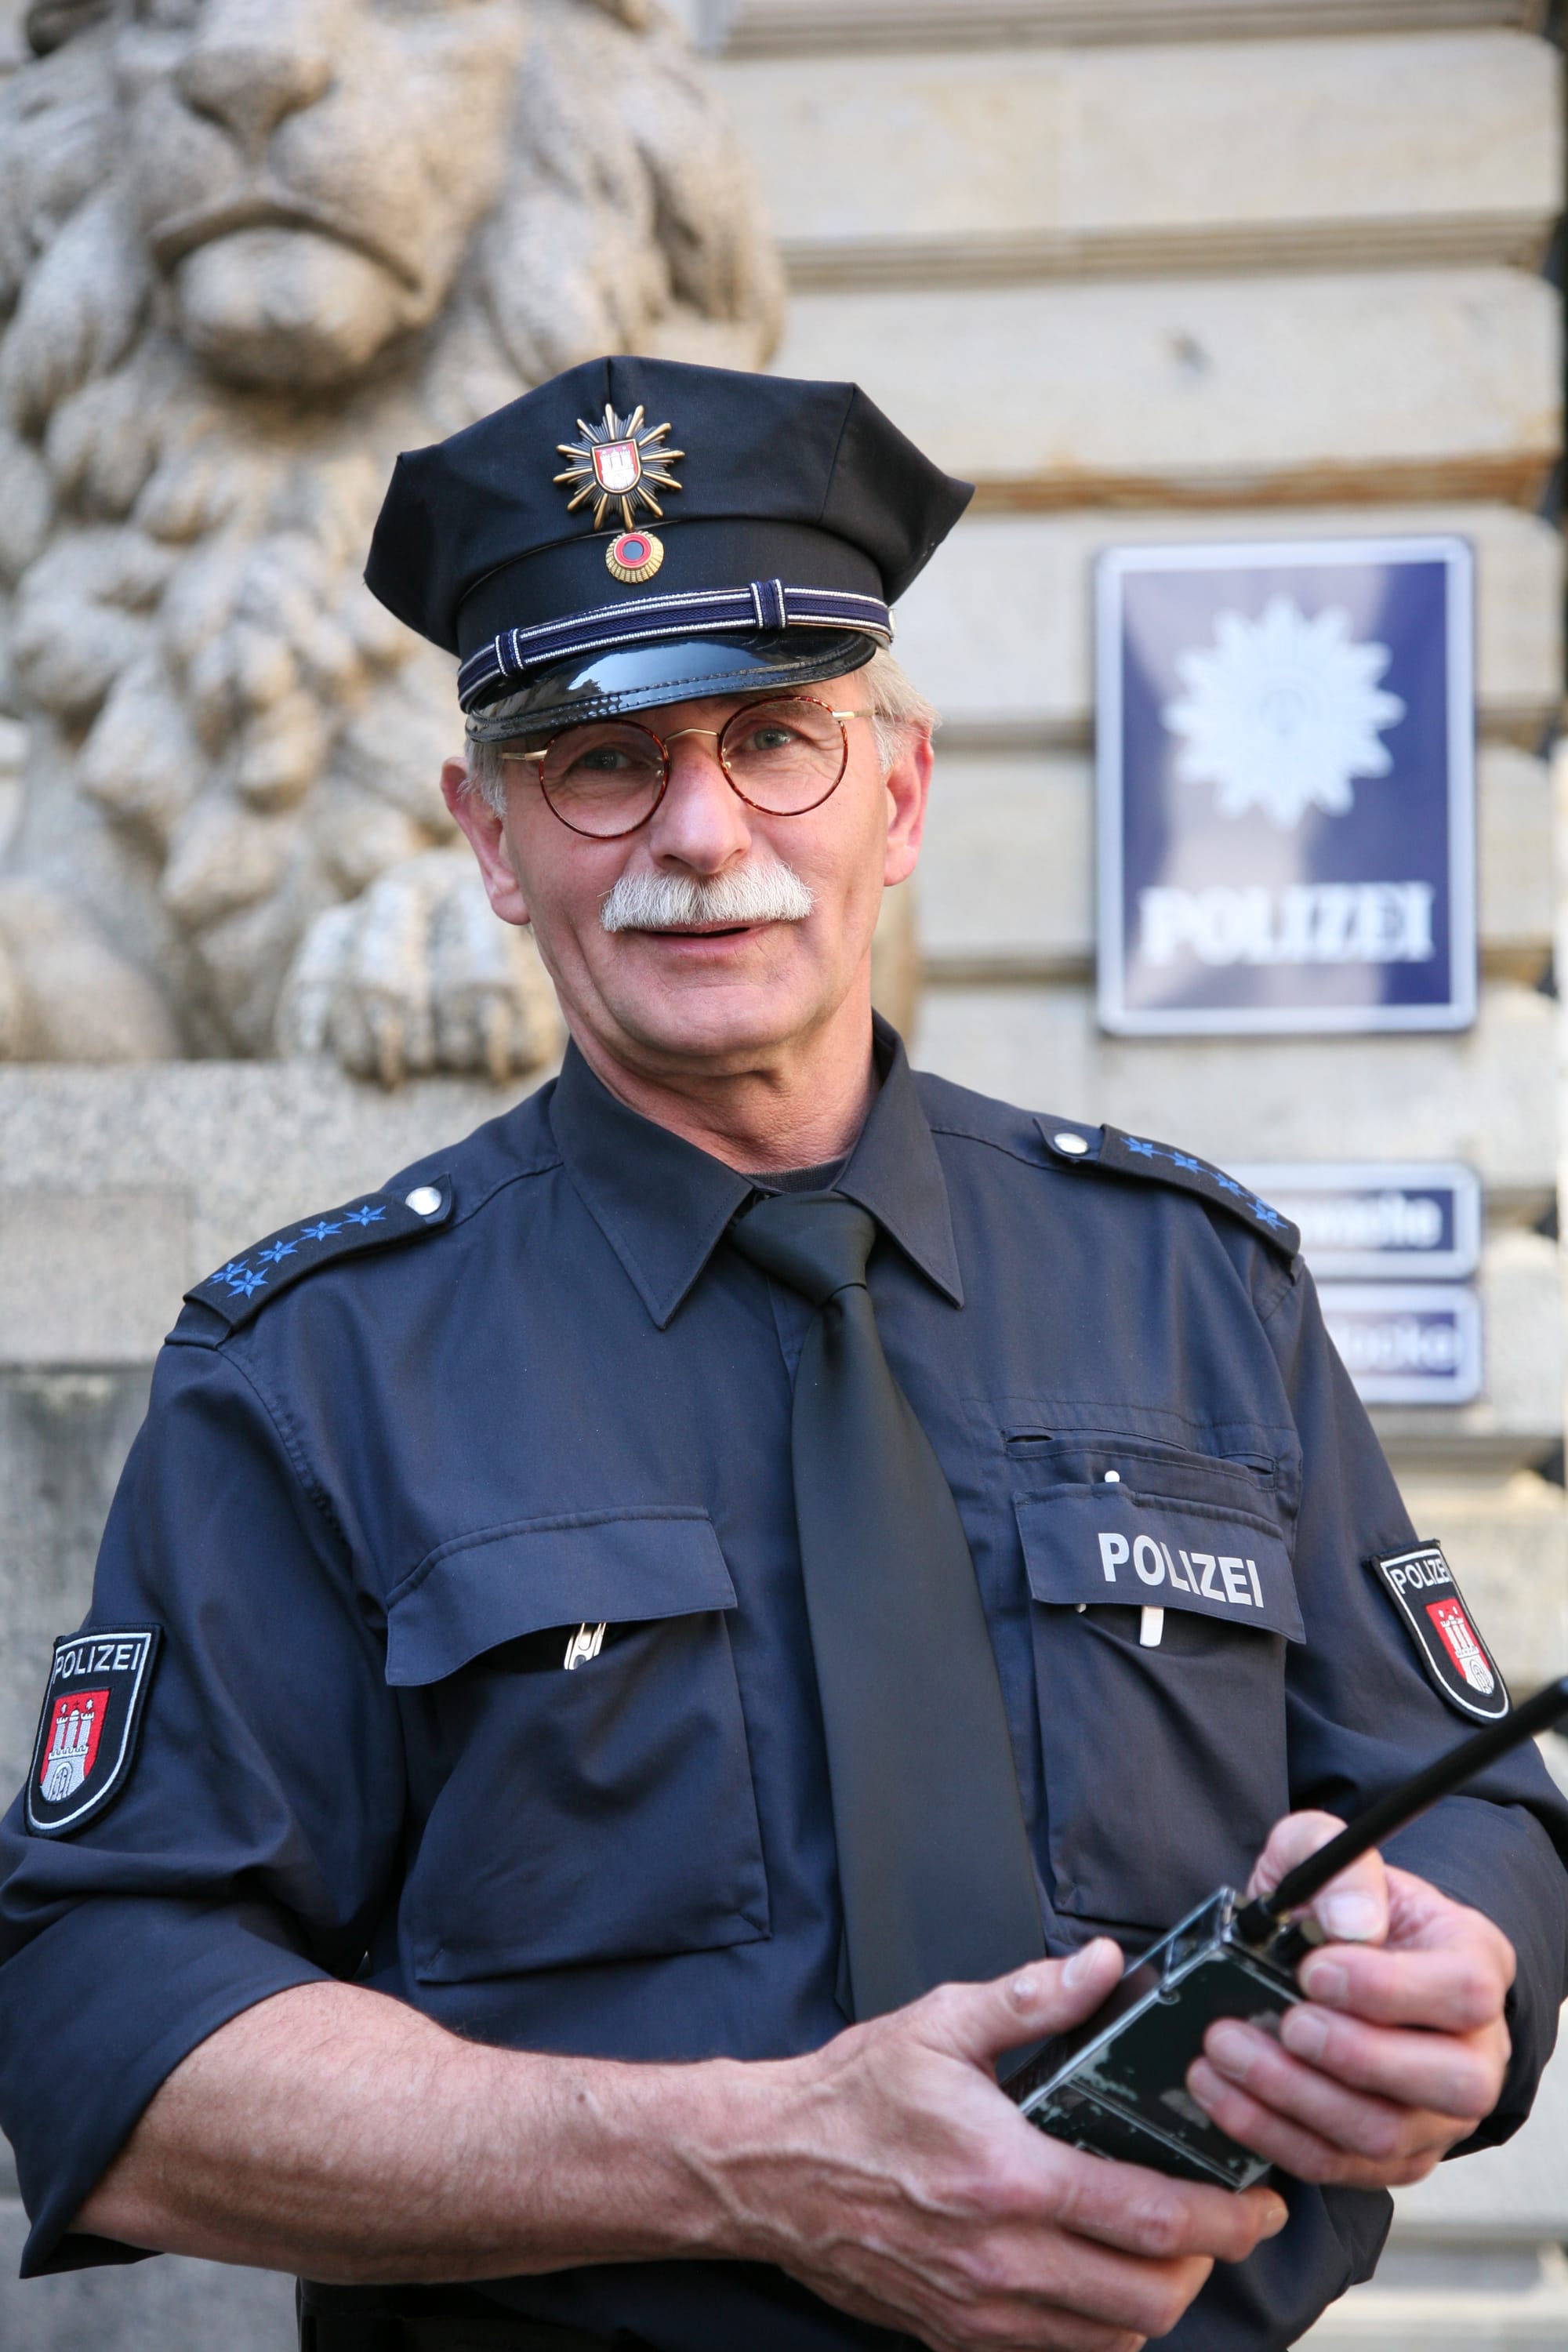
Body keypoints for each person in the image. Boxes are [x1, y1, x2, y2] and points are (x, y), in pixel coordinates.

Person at [1, 356, 1564, 2352]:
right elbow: (91, 2017)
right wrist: (743, 2158)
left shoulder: (1194, 1290)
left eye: (772, 742)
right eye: (600, 763)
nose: (700, 835)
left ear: (895, 794)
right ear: (492, 840)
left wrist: (1460, 1967)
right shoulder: (314, 1370)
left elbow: (1461, 1797)